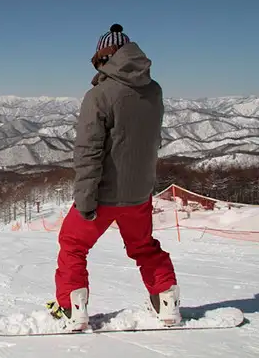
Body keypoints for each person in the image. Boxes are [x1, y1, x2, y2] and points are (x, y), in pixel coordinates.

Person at [45, 24, 180, 331]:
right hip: (139, 194)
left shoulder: (99, 95)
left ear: (105, 58)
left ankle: (71, 308)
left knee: (72, 244)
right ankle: (167, 301)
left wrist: (85, 198)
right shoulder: (154, 91)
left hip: (104, 195)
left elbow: (88, 152)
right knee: (144, 247)